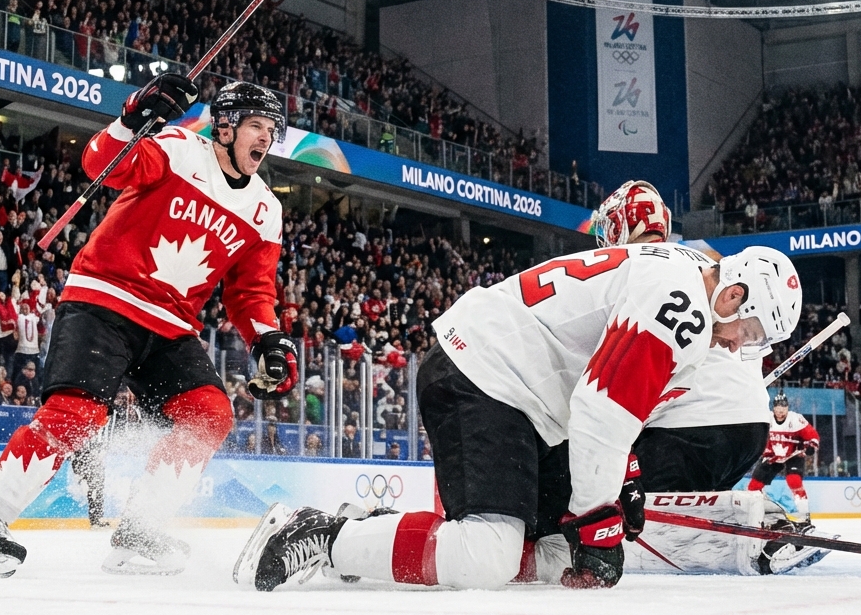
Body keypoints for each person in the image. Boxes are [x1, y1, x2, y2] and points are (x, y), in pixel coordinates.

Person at [238, 235, 800, 592]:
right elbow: (603, 411)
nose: (737, 347)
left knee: (552, 551)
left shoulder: (672, 274)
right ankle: (324, 533)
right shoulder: (683, 307)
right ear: (732, 295)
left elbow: (611, 408)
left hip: (517, 394)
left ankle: (377, 532)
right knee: (487, 555)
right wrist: (599, 528)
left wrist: (618, 489)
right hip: (488, 375)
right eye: (746, 332)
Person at [0, 76, 298, 578]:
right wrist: (133, 117)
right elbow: (101, 164)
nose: (265, 138)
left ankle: (139, 530)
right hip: (106, 300)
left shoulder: (267, 210)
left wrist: (267, 337)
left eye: (272, 129)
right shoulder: (178, 148)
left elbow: (251, 292)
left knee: (209, 413)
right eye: (256, 126)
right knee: (76, 413)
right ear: (224, 127)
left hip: (173, 325)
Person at [578, 181, 826, 577]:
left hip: (689, 425)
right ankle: (761, 519)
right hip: (747, 430)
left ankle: (755, 533)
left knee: (601, 496)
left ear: (616, 227)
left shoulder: (636, 265)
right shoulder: (707, 265)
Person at [70, 386, 144, 527]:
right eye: (118, 396)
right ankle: (95, 518)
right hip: (86, 449)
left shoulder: (119, 413)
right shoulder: (94, 407)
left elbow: (126, 431)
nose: (120, 400)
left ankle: (96, 519)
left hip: (98, 451)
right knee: (94, 483)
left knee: (97, 484)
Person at [747, 394, 820, 523]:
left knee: (794, 481)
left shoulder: (796, 419)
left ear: (787, 408)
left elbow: (812, 435)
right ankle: (760, 511)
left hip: (794, 454)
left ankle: (804, 515)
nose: (780, 411)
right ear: (773, 408)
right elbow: (755, 435)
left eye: (783, 408)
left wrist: (811, 446)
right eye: (778, 408)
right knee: (753, 487)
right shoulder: (766, 419)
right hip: (772, 455)